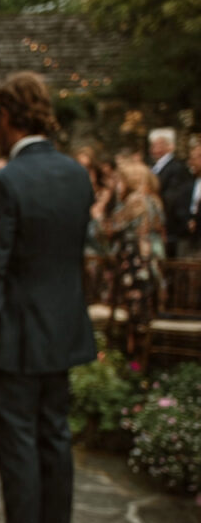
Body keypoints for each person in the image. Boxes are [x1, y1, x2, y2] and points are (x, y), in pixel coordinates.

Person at [0, 72, 96, 523]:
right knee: (55, 436)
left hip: (16, 334)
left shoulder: (5, 182)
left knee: (17, 442)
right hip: (63, 329)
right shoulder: (77, 175)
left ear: (7, 117)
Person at [91, 161, 164, 358]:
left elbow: (110, 231)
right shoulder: (153, 200)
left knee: (135, 315)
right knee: (141, 313)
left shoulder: (135, 201)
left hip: (135, 264)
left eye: (120, 180)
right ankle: (138, 362)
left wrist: (98, 215)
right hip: (149, 263)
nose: (117, 185)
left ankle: (133, 363)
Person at [149, 128, 192, 256]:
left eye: (159, 144)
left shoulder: (176, 167)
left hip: (170, 225)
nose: (154, 148)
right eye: (153, 145)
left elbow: (172, 198)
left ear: (169, 146)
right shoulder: (155, 166)